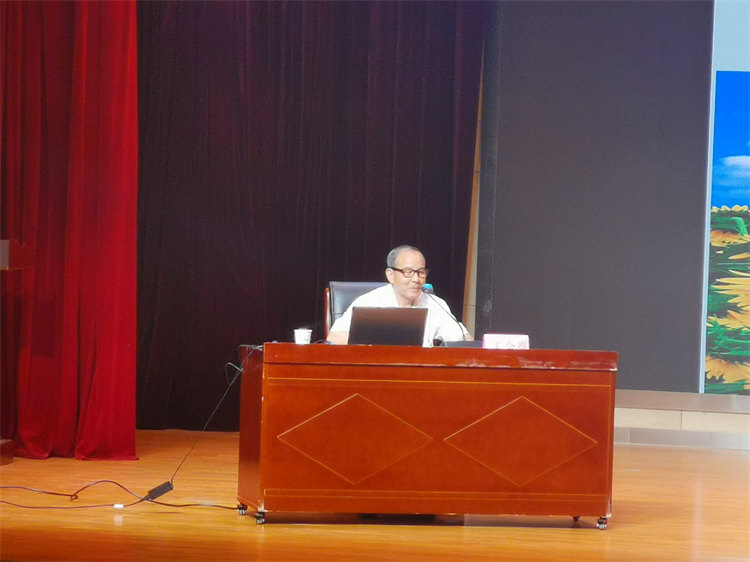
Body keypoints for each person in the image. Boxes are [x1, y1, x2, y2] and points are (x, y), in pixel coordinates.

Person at [326, 245, 472, 346]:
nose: (416, 279)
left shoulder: (435, 303)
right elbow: (334, 338)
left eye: (421, 272)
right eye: (408, 272)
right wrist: (375, 339)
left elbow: (463, 340)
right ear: (390, 275)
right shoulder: (370, 301)